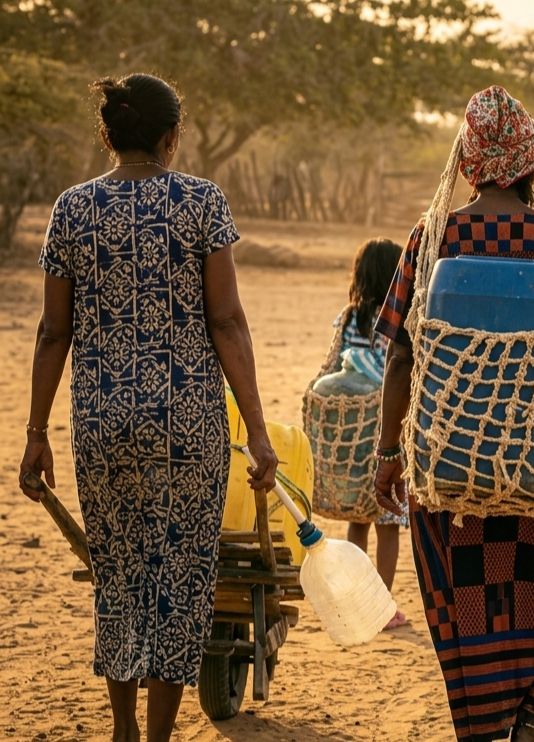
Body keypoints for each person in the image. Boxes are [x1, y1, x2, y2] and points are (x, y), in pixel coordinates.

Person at [17, 73, 278, 742]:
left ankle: (124, 729)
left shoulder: (71, 209)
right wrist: (257, 431)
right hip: (189, 426)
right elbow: (227, 320)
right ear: (171, 137)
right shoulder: (203, 203)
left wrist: (35, 432)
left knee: (120, 577)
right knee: (180, 582)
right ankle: (157, 738)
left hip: (103, 427)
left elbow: (53, 332)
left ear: (108, 135)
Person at [371, 86, 534, 742]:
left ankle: (482, 719)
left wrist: (390, 453)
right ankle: (527, 716)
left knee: (464, 599)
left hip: (447, 468)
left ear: (469, 164)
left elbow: (398, 358)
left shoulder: (432, 240)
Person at [335, 237, 408, 631]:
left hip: (351, 439)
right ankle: (383, 606)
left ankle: (354, 602)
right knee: (389, 521)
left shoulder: (349, 318)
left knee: (356, 521)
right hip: (385, 435)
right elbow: (396, 370)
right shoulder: (396, 319)